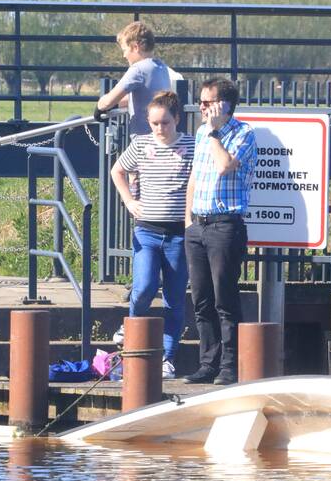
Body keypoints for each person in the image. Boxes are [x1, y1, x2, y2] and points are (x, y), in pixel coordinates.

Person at [111, 91, 195, 379]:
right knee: (144, 286)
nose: (160, 129)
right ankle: (131, 327)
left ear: (177, 120)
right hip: (147, 230)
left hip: (177, 235)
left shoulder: (191, 146)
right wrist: (129, 201)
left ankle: (168, 357)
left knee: (174, 299)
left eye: (166, 123)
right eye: (155, 123)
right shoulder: (142, 144)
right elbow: (118, 170)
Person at [182, 78, 257, 386]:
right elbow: (195, 179)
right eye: (200, 102)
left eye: (207, 102)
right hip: (198, 225)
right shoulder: (201, 132)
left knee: (224, 299)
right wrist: (187, 222)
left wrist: (215, 132)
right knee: (201, 299)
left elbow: (225, 164)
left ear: (224, 105)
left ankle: (230, 365)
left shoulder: (244, 133)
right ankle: (207, 363)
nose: (201, 108)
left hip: (225, 224)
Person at [96, 21, 172, 135]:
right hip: (161, 135)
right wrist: (116, 104)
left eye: (125, 50)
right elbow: (148, 97)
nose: (124, 55)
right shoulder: (161, 67)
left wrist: (99, 106)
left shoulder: (138, 69)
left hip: (143, 140)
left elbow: (108, 102)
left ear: (135, 47)